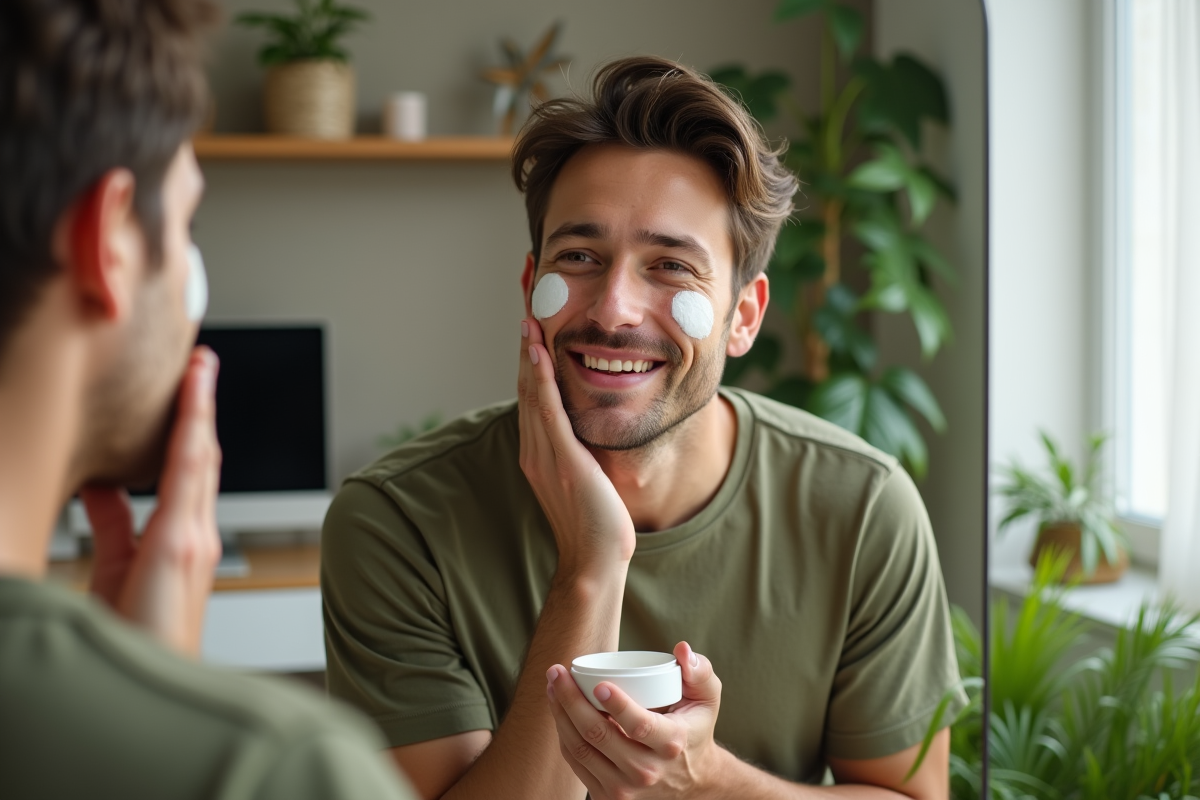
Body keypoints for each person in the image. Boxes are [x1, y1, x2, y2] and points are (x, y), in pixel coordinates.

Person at [321, 56, 966, 800]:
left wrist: (709, 780)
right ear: (532, 287)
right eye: (582, 257)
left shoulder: (861, 508)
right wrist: (592, 568)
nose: (614, 309)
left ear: (744, 317)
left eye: (670, 266)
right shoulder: (397, 522)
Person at [0, 2, 418, 798]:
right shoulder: (276, 768)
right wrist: (155, 711)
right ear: (110, 242)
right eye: (188, 221)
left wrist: (136, 685)